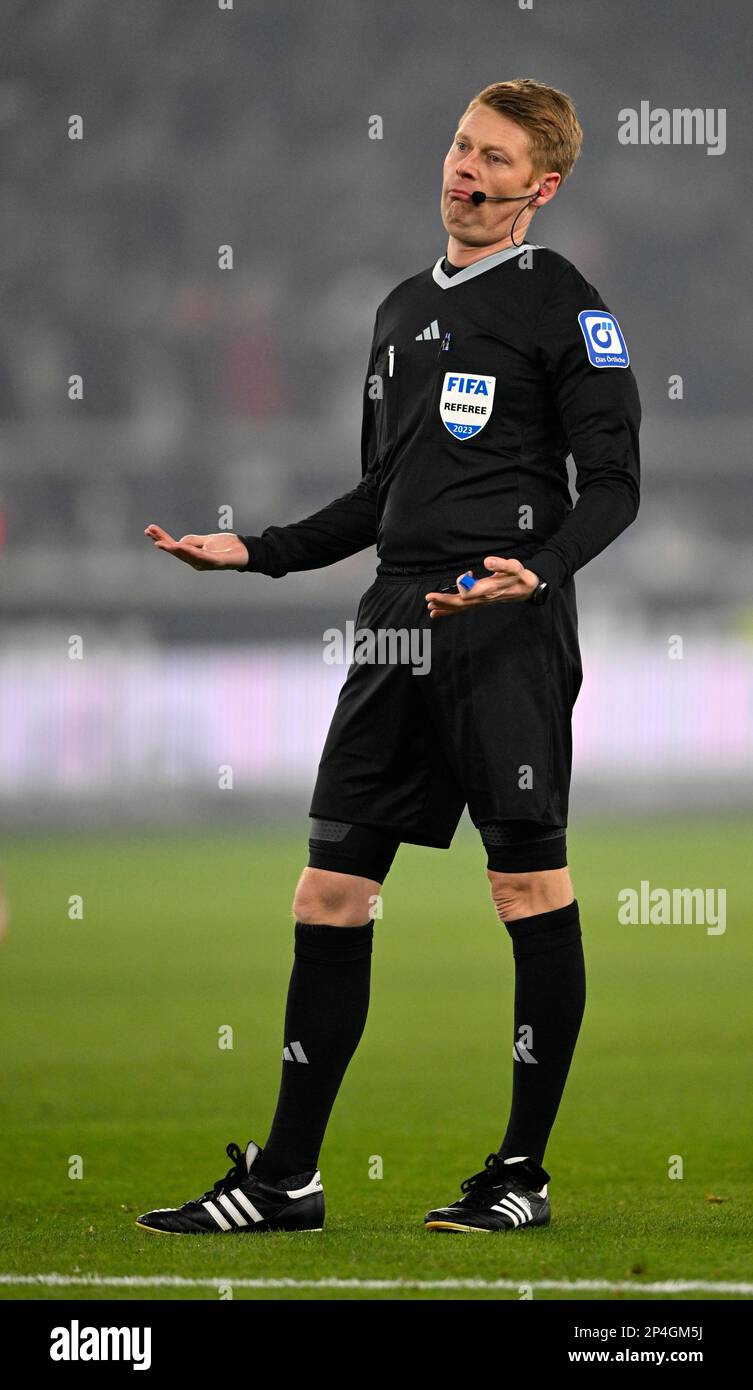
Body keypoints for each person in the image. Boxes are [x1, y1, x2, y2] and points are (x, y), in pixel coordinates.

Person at [137, 77, 640, 1236]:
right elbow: (381, 496)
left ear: (541, 188)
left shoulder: (566, 304)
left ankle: (520, 1173)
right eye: (464, 147)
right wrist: (255, 550)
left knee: (525, 885)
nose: (468, 170)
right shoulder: (400, 309)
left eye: (498, 161)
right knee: (329, 889)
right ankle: (286, 1180)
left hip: (506, 622)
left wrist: (545, 567)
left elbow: (615, 485)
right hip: (395, 624)